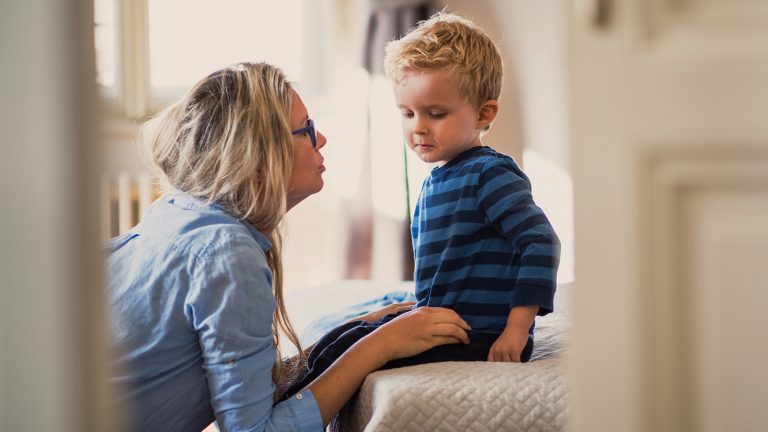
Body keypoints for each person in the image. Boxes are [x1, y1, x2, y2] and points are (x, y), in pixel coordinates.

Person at [105, 62, 471, 432]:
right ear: (257, 159)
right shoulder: (226, 253)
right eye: (306, 129)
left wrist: (356, 332)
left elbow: (247, 389)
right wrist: (380, 346)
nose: (321, 139)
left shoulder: (174, 213)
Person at [280, 11, 560, 400]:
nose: (418, 127)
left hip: (479, 335)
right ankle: (279, 393)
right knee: (345, 334)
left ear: (484, 114)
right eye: (408, 113)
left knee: (354, 351)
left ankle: (284, 405)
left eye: (436, 114)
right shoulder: (438, 179)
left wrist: (516, 329)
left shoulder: (489, 174)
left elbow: (541, 243)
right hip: (446, 323)